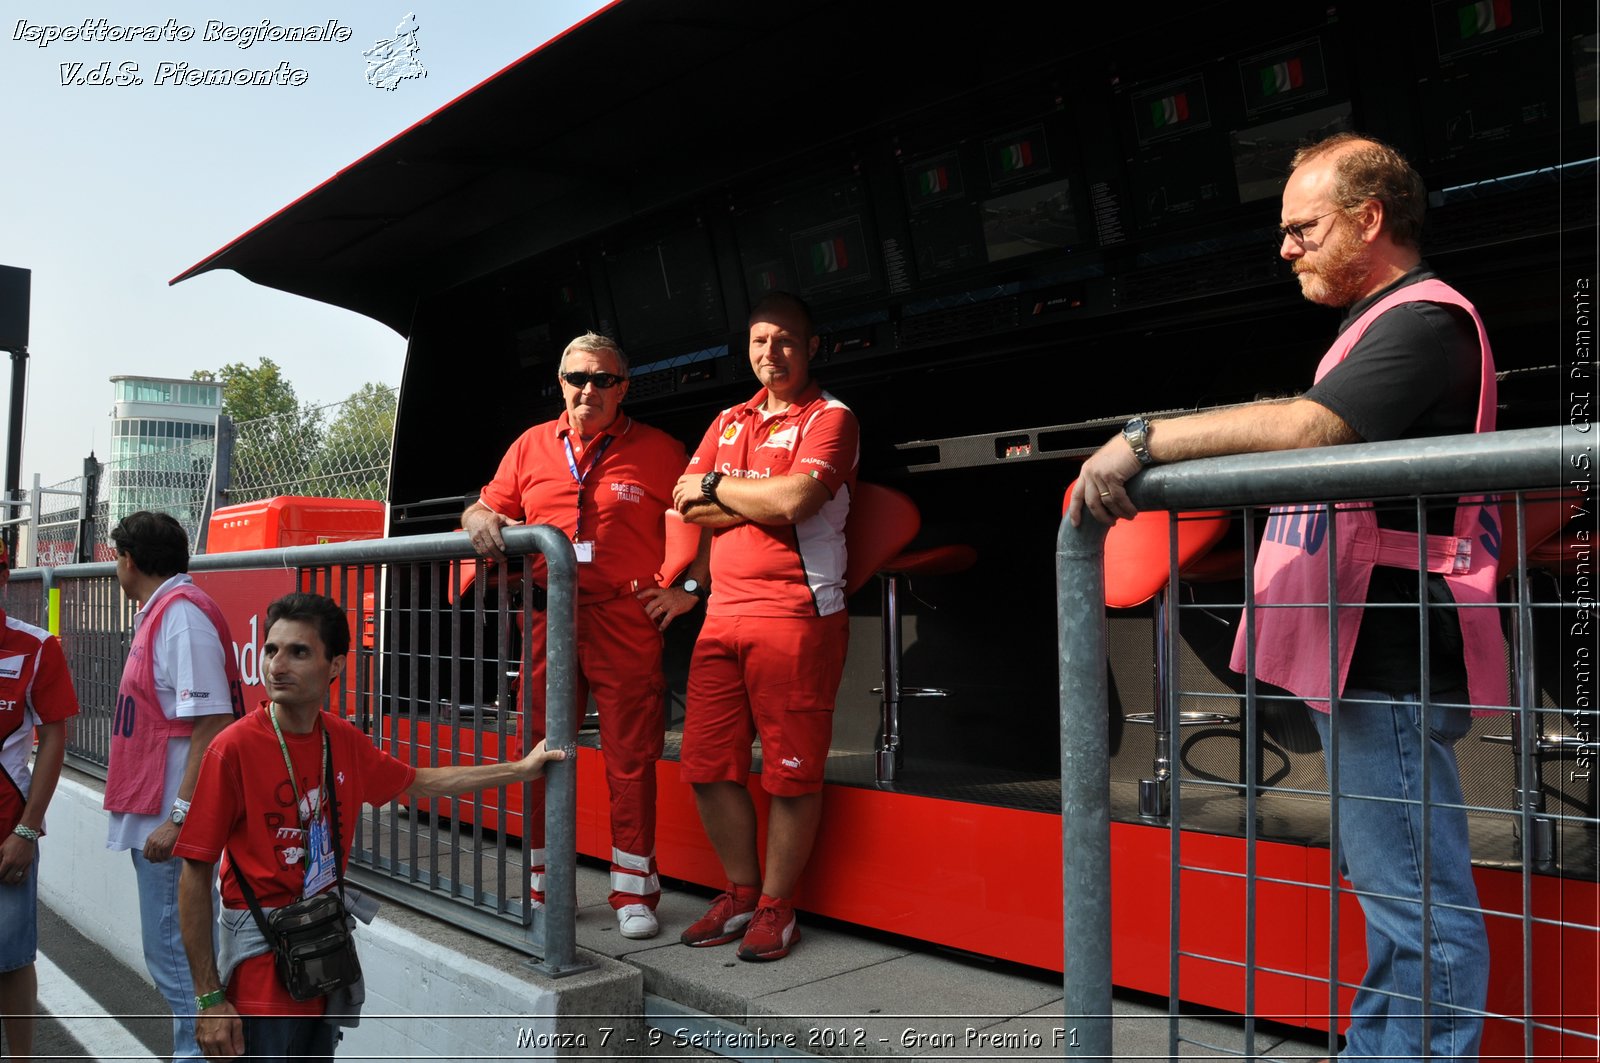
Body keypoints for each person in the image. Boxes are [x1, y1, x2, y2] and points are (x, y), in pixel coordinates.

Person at [1069, 133, 1499, 1060]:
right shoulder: (1381, 323)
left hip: (1389, 658)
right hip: (1366, 660)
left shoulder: (1425, 321)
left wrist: (1144, 440)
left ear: (1370, 218)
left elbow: (1309, 428)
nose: (1286, 248)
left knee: (1421, 915)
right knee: (1400, 910)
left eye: (1302, 227)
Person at [175, 592, 564, 1062]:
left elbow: (418, 783)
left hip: (323, 962)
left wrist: (520, 770)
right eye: (271, 649)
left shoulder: (342, 740)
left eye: (298, 652)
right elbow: (194, 874)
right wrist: (210, 999)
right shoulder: (232, 748)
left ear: (335, 665)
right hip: (259, 971)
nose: (277, 664)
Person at [461, 332, 691, 941]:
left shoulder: (663, 451)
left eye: (603, 379)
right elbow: (484, 507)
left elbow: (710, 520)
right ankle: (543, 885)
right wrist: (479, 518)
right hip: (544, 618)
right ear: (561, 382)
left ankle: (634, 891)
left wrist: (687, 590)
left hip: (623, 618)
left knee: (631, 758)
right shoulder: (530, 446)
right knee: (538, 751)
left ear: (625, 388)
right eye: (577, 378)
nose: (589, 389)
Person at [671, 291, 859, 962]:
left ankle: (779, 909)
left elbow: (795, 499)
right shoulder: (729, 418)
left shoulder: (831, 417)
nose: (770, 353)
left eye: (784, 341)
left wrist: (724, 489)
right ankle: (743, 890)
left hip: (797, 614)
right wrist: (744, 495)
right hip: (722, 614)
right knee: (706, 764)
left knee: (790, 772)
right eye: (758, 342)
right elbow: (685, 503)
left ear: (812, 347)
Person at [103, 511, 243, 1062]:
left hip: (171, 823)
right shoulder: (164, 610)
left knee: (179, 962)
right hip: (159, 815)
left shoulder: (181, 616)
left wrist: (179, 816)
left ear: (130, 560)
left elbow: (212, 721)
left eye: (117, 556)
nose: (116, 566)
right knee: (171, 958)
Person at [0, 538, 80, 1062]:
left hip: (7, 834)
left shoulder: (36, 647)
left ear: (3, 578)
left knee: (9, 959)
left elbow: (55, 735)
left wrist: (27, 830)